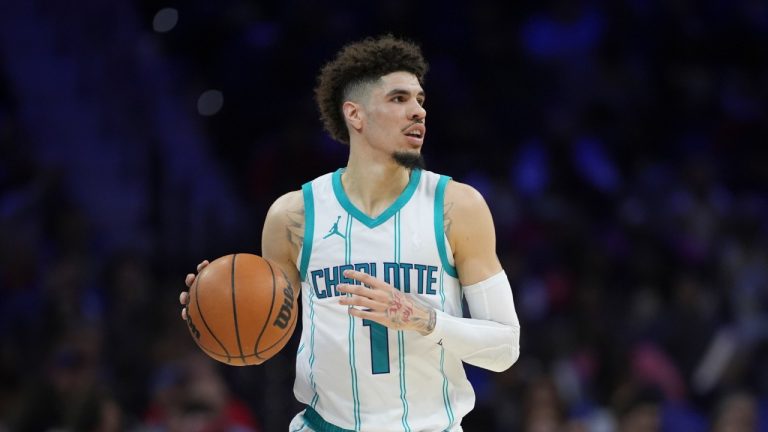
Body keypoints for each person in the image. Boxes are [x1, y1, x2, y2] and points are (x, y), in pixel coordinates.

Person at [180, 34, 521, 432]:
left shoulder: (457, 207)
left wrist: (425, 319)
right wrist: (219, 302)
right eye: (399, 99)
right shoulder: (293, 216)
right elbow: (263, 337)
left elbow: (505, 349)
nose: (418, 111)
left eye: (420, 100)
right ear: (355, 115)